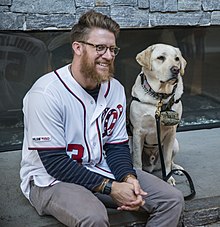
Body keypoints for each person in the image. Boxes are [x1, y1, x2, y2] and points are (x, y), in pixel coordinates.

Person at [20, 10, 184, 227]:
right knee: (93, 217)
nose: (108, 55)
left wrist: (128, 178)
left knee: (172, 199)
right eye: (99, 48)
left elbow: (117, 147)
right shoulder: (45, 93)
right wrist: (111, 188)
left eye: (112, 49)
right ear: (77, 47)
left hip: (99, 166)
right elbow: (55, 163)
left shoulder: (114, 88)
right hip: (50, 179)